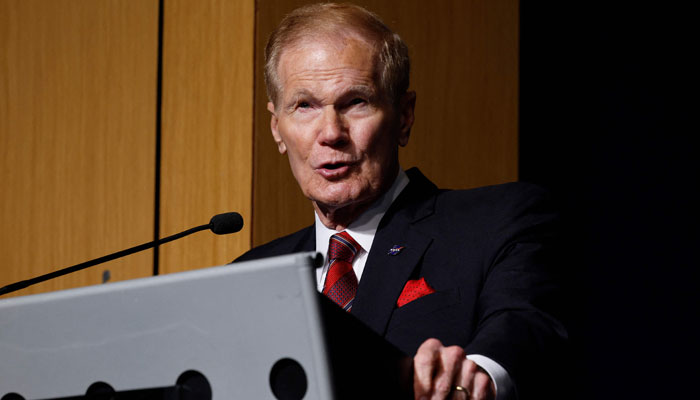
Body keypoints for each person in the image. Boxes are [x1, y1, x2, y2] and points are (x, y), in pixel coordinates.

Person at [236, 3, 566, 399]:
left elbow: (522, 324)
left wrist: (475, 378)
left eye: (355, 102)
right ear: (277, 128)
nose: (330, 133)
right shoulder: (247, 278)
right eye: (304, 106)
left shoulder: (496, 223)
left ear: (404, 116)